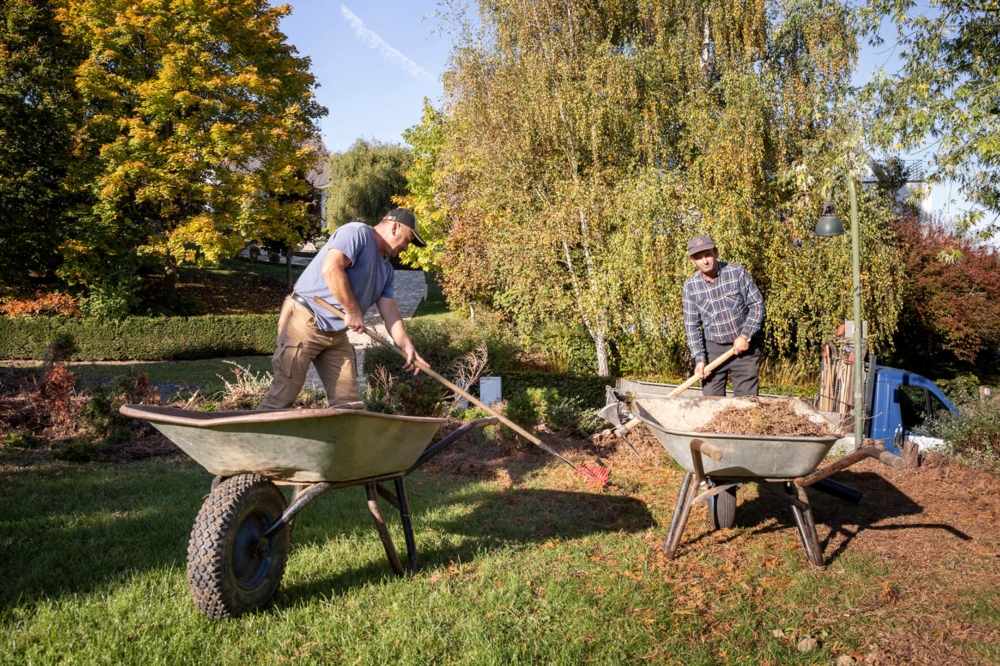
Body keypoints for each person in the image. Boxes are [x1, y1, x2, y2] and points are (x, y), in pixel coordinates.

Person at [257, 208, 427, 410]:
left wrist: (406, 346)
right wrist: (352, 311)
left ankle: (340, 442)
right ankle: (245, 440)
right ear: (395, 227)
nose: (407, 248)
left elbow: (389, 311)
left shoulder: (387, 271)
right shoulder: (357, 233)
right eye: (407, 240)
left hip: (336, 335)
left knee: (350, 405)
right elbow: (331, 268)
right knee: (284, 395)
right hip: (305, 320)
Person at [681, 234, 765, 397]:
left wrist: (745, 335)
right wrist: (699, 358)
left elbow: (757, 305)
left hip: (744, 347)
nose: (704, 261)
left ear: (716, 253)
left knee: (746, 405)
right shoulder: (690, 287)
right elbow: (691, 326)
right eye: (698, 258)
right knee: (712, 403)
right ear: (693, 261)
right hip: (713, 350)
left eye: (708, 255)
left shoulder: (737, 273)